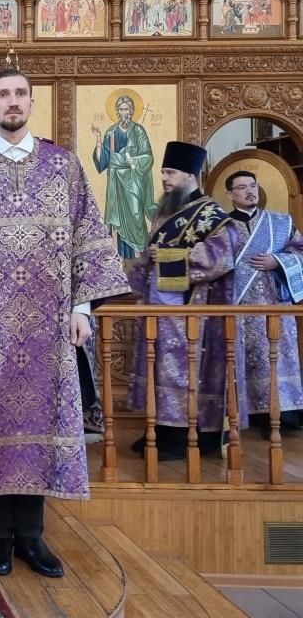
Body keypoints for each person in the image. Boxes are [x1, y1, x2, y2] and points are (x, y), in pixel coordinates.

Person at [0, 68, 129, 579]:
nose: (12, 102)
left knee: (40, 423)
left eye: (19, 94)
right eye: (2, 95)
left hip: (49, 329)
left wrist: (83, 308)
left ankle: (33, 537)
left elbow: (89, 236)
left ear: (32, 103)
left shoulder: (64, 166)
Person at [128, 141, 241, 460]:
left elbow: (221, 257)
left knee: (180, 372)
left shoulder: (211, 214)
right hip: (158, 308)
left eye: (170, 172)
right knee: (158, 369)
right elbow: (150, 255)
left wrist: (166, 255)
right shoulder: (166, 211)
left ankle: (180, 437)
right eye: (163, 172)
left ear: (190, 175)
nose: (164, 178)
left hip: (192, 311)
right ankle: (159, 430)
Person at [225, 170, 303, 436]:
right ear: (230, 194)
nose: (250, 191)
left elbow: (300, 251)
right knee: (245, 359)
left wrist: (278, 261)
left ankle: (285, 415)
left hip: (274, 305)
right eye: (242, 187)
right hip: (238, 306)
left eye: (253, 185)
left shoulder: (280, 222)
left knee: (277, 358)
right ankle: (247, 415)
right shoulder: (221, 227)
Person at [91, 94, 157, 258]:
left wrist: (133, 160)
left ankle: (138, 256)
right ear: (117, 111)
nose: (124, 113)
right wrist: (98, 139)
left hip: (133, 180)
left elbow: (148, 157)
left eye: (127, 109)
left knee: (135, 214)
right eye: (121, 109)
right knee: (116, 218)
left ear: (132, 111)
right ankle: (116, 257)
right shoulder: (111, 132)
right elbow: (104, 160)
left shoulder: (139, 131)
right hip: (115, 182)